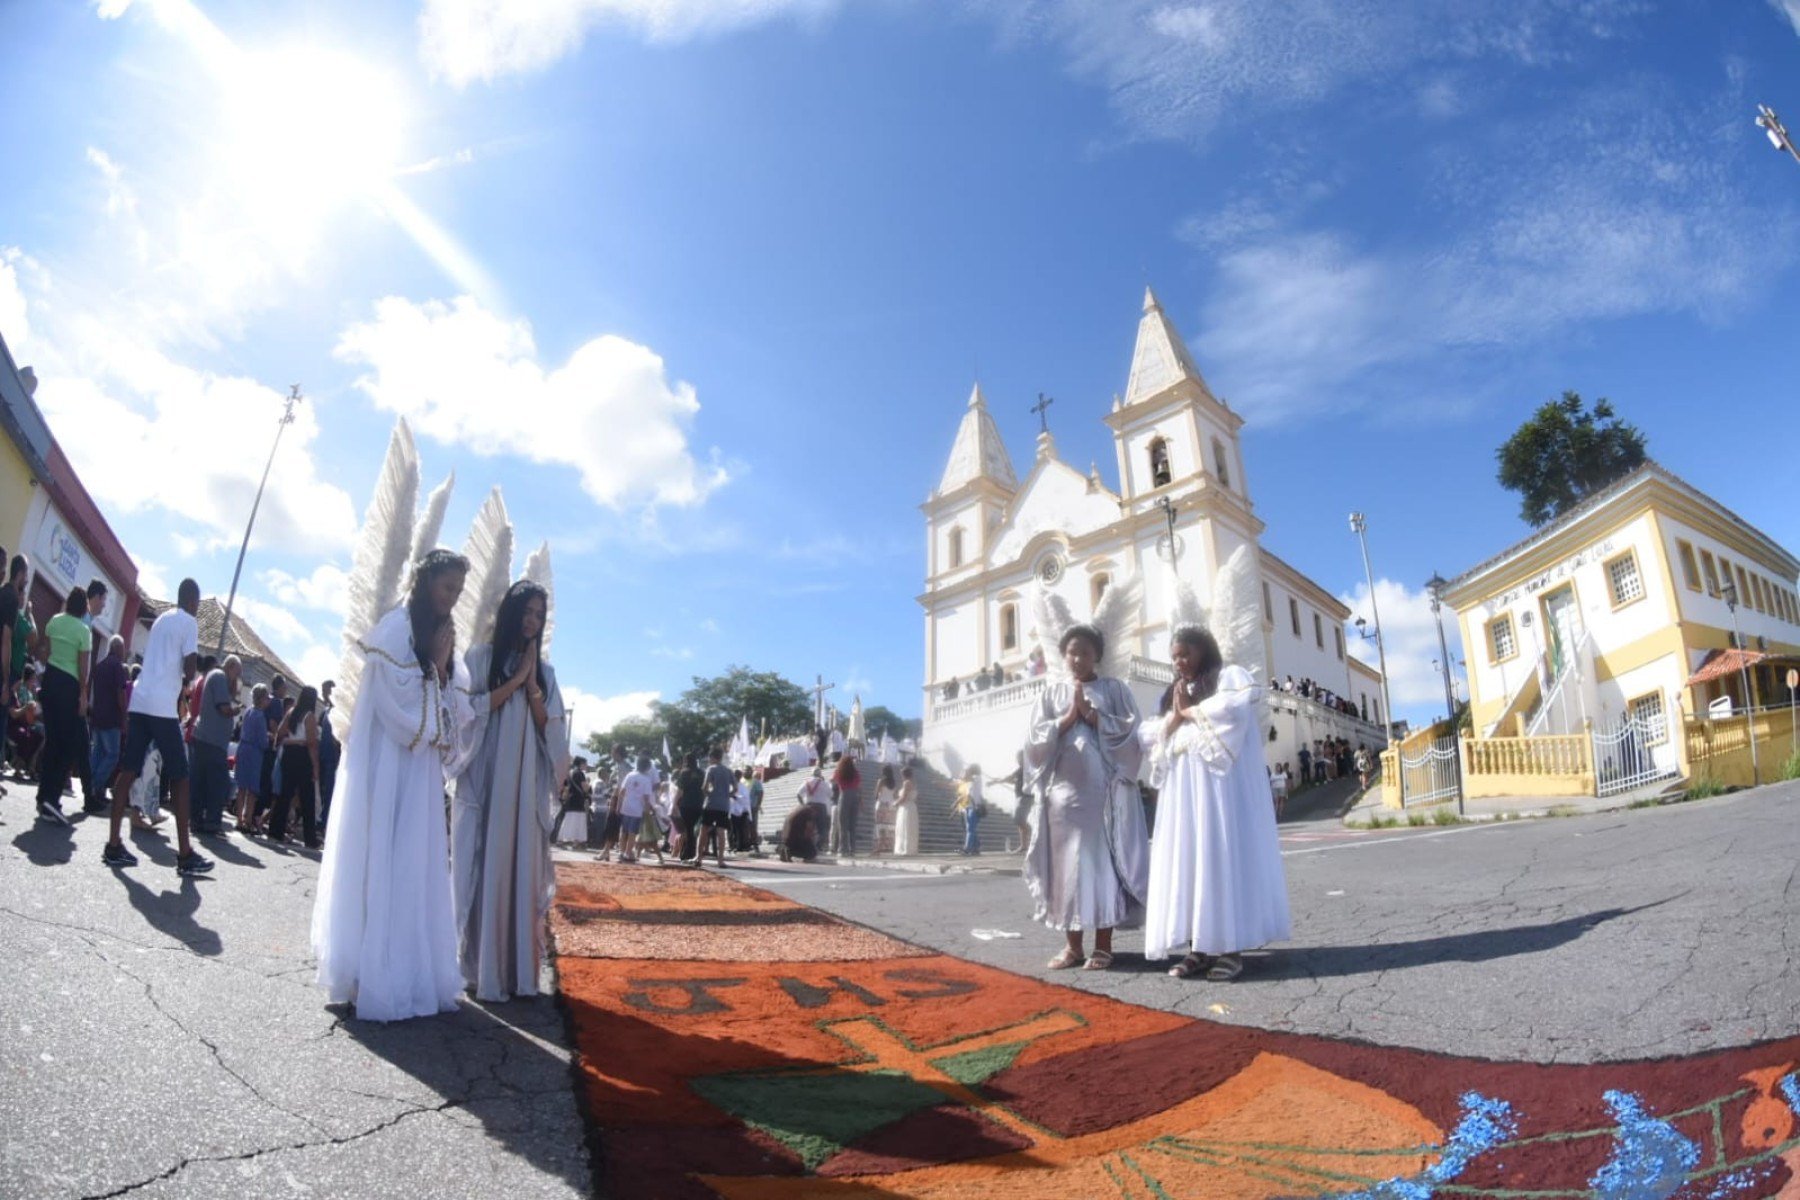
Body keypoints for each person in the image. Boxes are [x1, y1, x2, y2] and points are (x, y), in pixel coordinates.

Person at [311, 549, 478, 1022]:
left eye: (458, 592)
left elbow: (450, 713)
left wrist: (443, 667)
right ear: (426, 584)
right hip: (388, 768)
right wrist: (433, 665)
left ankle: (406, 971)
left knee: (414, 864)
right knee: (380, 858)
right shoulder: (392, 631)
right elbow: (396, 705)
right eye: (447, 588)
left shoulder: (443, 637)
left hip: (420, 772)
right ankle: (367, 975)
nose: (452, 599)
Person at [1145, 625, 1291, 983]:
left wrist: (1189, 713)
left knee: (1217, 860)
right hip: (1183, 798)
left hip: (1216, 795)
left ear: (1204, 651)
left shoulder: (1228, 677)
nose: (1179, 662)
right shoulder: (1173, 693)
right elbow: (1149, 734)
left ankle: (1229, 949)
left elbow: (1235, 710)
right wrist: (1176, 714)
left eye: (1185, 654)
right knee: (1189, 863)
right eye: (1174, 656)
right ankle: (1197, 948)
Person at [453, 579, 567, 1003]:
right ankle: (479, 969)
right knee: (484, 865)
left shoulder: (548, 673)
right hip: (486, 780)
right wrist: (516, 676)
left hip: (524, 788)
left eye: (539, 615)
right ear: (510, 612)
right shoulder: (481, 657)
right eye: (526, 612)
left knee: (520, 864)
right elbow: (468, 712)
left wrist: (532, 681)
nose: (531, 621)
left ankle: (518, 972)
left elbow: (550, 730)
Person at [1021, 624, 1147, 972]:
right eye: (1072, 652)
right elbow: (1032, 746)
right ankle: (1072, 946)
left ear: (1097, 657)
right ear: (1063, 655)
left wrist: (1093, 717)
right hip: (1062, 799)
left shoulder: (1113, 689)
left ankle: (1103, 945)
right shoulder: (1050, 695)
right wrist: (1066, 720)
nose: (1077, 659)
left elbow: (1131, 733)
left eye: (1085, 652)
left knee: (1099, 866)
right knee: (1067, 871)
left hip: (1101, 797)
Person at [102, 578, 213, 876]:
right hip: (163, 707)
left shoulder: (163, 619)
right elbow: (190, 668)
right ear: (193, 601)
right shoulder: (189, 622)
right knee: (180, 776)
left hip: (140, 700)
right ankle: (186, 854)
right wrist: (188, 677)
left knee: (128, 770)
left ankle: (113, 844)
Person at [33, 585, 92, 826]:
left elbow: (43, 651)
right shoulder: (84, 631)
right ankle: (52, 799)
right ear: (84, 607)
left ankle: (43, 795)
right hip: (69, 686)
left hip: (51, 681)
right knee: (66, 745)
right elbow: (83, 668)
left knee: (52, 740)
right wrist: (83, 696)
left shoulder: (55, 621)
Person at [188, 655, 242, 836]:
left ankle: (196, 819)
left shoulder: (217, 678)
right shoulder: (219, 676)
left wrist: (233, 685)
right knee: (219, 784)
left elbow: (228, 696)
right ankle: (211, 822)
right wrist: (236, 710)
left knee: (202, 782)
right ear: (231, 666)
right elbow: (224, 708)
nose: (238, 676)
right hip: (211, 740)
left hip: (208, 738)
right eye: (237, 672)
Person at [268, 685, 323, 848]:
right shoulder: (309, 716)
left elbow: (280, 731)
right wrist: (315, 766)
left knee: (285, 794)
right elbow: (312, 743)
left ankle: (274, 831)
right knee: (307, 798)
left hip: (289, 754)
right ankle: (310, 838)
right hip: (303, 754)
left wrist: (290, 740)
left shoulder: (292, 712)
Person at [86, 635, 129, 814]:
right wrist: (124, 715)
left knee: (98, 752)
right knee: (112, 754)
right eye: (124, 648)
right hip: (112, 717)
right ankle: (96, 785)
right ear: (118, 648)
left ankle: (92, 787)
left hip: (97, 715)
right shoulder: (118, 667)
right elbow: (120, 694)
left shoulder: (99, 666)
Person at [233, 683, 270, 833]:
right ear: (261, 699)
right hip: (254, 752)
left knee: (241, 787)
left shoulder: (248, 712)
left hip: (243, 748)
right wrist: (268, 739)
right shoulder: (260, 716)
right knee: (252, 790)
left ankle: (239, 819)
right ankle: (248, 820)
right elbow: (262, 741)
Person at [694, 746, 734, 868]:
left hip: (711, 804)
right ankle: (720, 860)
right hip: (723, 805)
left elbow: (704, 787)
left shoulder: (710, 769)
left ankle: (699, 858)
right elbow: (735, 788)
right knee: (721, 832)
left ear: (712, 757)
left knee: (703, 831)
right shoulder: (728, 771)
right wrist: (727, 795)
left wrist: (709, 795)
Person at [317, 679, 342, 833]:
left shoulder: (338, 712)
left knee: (330, 791)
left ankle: (326, 822)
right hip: (322, 755)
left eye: (326, 690)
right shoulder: (324, 711)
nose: (324, 694)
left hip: (333, 758)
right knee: (321, 790)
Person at [832, 753, 862, 858]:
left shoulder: (839, 772)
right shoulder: (856, 773)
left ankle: (842, 849)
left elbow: (833, 780)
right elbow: (858, 786)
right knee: (852, 826)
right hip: (855, 797)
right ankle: (852, 849)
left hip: (844, 796)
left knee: (843, 824)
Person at [798, 767, 831, 855]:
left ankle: (806, 846)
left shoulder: (807, 782)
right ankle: (818, 846)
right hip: (821, 807)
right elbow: (830, 794)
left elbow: (798, 794)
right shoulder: (824, 783)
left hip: (809, 806)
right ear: (820, 774)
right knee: (822, 829)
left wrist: (802, 805)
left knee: (808, 828)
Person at [955, 768, 984, 855]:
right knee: (971, 829)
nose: (964, 775)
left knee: (970, 829)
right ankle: (976, 847)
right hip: (968, 807)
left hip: (974, 807)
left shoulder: (977, 779)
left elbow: (971, 795)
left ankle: (967, 848)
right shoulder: (969, 784)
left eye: (966, 773)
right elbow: (967, 795)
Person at [892, 765, 919, 856]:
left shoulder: (906, 783)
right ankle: (909, 848)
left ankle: (905, 848)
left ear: (904, 774)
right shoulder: (913, 783)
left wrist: (895, 803)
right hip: (911, 806)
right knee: (909, 827)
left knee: (905, 826)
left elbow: (904, 797)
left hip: (906, 807)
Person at [871, 764, 897, 854]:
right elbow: (894, 795)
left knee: (880, 826)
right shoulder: (893, 783)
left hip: (882, 804)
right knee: (889, 827)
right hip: (891, 806)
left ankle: (878, 848)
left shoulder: (881, 781)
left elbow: (876, 794)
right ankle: (889, 847)